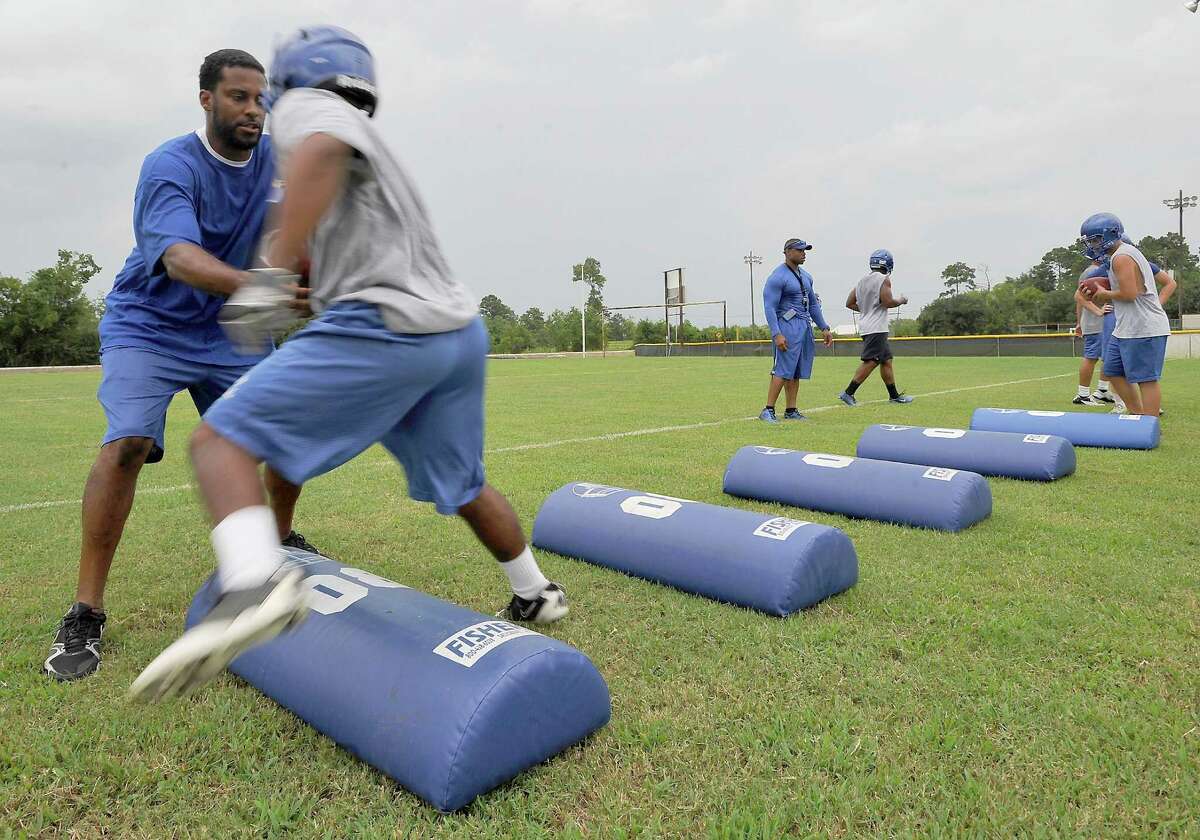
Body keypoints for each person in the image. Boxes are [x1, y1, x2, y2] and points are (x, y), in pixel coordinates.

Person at [129, 26, 568, 703]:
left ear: (291, 82)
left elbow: (322, 154)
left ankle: (257, 582)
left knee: (219, 441)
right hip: (454, 333)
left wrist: (270, 274)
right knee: (465, 486)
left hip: (383, 327)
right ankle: (536, 593)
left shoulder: (311, 111)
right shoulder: (374, 146)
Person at [44, 50, 317, 683]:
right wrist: (265, 289)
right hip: (153, 323)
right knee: (128, 445)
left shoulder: (277, 162)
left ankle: (275, 544)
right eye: (239, 98)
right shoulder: (171, 164)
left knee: (281, 433)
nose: (254, 110)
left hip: (229, 329)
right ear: (207, 100)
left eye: (260, 99)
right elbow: (178, 258)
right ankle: (85, 610)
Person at [1078, 213, 1175, 418]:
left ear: (1110, 234)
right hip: (1125, 327)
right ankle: (1137, 415)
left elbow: (1130, 294)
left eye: (1095, 239)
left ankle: (1150, 426)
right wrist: (1093, 293)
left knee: (1146, 379)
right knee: (1112, 371)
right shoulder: (1118, 256)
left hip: (1143, 327)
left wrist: (1104, 294)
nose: (1092, 245)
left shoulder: (1122, 256)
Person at [759, 238, 834, 423]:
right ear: (788, 251)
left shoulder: (807, 276)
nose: (803, 253)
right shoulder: (777, 277)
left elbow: (813, 305)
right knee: (783, 369)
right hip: (786, 325)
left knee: (796, 369)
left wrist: (824, 327)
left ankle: (791, 409)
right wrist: (777, 333)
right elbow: (769, 307)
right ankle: (768, 410)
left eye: (805, 250)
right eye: (800, 250)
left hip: (804, 325)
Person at [838, 249, 913, 406]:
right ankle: (848, 393)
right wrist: (901, 300)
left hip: (867, 326)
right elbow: (888, 302)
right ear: (888, 264)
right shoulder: (884, 279)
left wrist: (866, 309)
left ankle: (894, 396)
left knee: (886, 360)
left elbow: (849, 303)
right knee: (872, 360)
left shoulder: (862, 280)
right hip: (876, 328)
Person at [1072, 264, 1110, 406]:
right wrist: (1097, 312)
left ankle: (1103, 390)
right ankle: (1082, 394)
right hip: (1095, 323)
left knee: (1108, 357)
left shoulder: (1106, 268)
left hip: (1102, 322)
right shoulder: (1092, 271)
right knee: (1091, 357)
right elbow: (1079, 297)